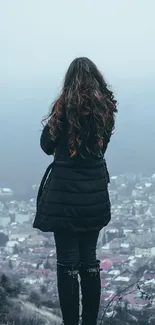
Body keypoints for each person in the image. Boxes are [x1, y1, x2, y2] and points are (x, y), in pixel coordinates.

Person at [33, 57, 117, 325]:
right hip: (93, 195)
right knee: (90, 262)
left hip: (64, 197)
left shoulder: (63, 110)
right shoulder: (105, 113)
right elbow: (100, 150)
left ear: (68, 82)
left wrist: (59, 115)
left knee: (67, 264)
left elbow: (46, 145)